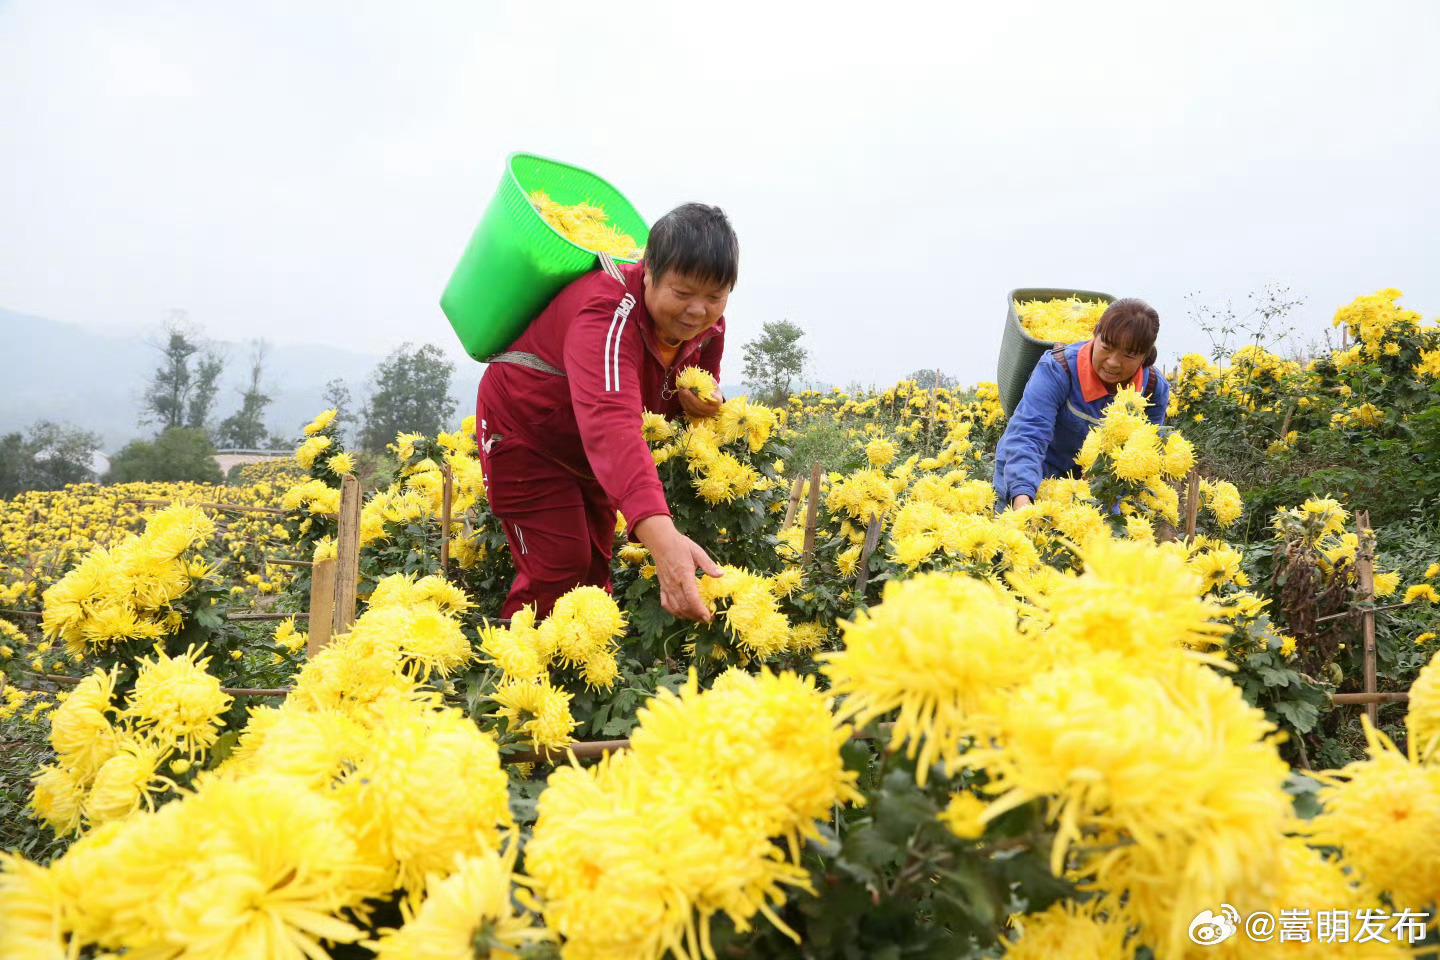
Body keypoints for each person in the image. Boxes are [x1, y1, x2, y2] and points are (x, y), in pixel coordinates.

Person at [475, 202, 737, 622]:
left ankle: (577, 677)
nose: (697, 311)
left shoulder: (708, 327)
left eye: (715, 296)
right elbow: (611, 422)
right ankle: (517, 673)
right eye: (683, 293)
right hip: (527, 432)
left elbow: (698, 381)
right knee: (559, 571)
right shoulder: (608, 313)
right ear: (648, 269)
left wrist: (708, 403)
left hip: (591, 455)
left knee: (595, 575)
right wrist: (665, 541)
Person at [993, 297, 1172, 510]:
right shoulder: (1058, 369)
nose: (1113, 362)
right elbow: (1029, 433)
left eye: (1128, 355)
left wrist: (1102, 494)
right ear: (1096, 335)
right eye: (1106, 347)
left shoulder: (1152, 389)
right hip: (1031, 469)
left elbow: (1140, 455)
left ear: (1145, 357)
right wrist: (1022, 498)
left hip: (1095, 487)